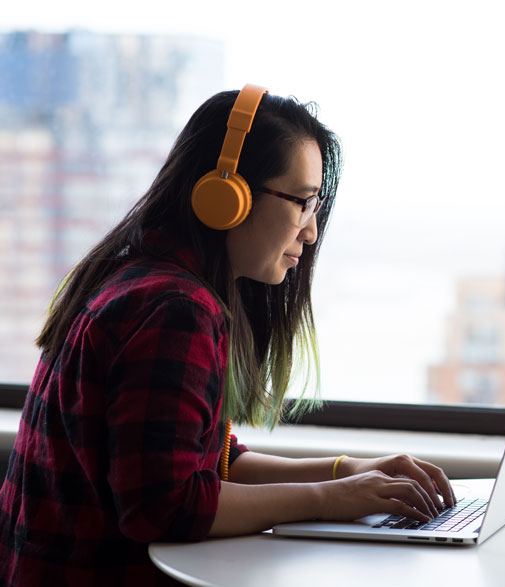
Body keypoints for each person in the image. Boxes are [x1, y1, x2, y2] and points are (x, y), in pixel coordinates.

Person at [0, 85, 456, 586]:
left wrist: (345, 471)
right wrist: (331, 501)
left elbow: (213, 461)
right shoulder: (174, 310)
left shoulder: (143, 278)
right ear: (226, 195)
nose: (310, 231)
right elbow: (164, 506)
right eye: (302, 202)